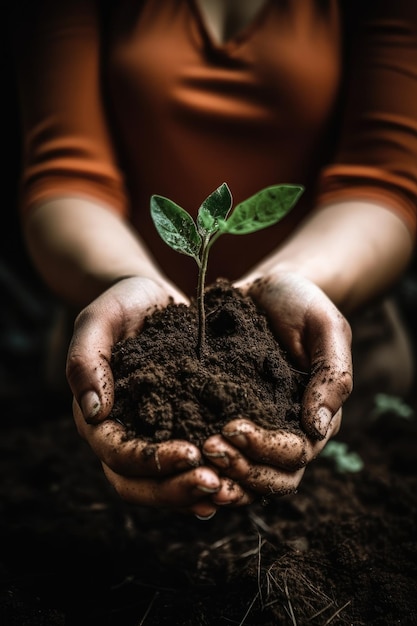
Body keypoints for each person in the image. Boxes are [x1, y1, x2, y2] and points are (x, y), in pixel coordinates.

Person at [11, 0, 417, 520]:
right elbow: (66, 173)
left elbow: (381, 180)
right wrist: (127, 279)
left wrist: (291, 278)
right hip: (125, 353)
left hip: (318, 356)